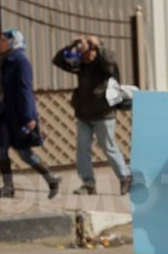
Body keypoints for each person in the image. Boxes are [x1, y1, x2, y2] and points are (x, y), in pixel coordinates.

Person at [52, 36, 131, 196]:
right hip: (84, 114)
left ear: (95, 52)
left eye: (88, 53)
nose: (85, 57)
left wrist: (97, 46)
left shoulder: (105, 65)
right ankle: (88, 184)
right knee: (82, 149)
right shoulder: (81, 66)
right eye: (83, 54)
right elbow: (58, 60)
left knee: (108, 147)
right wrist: (72, 45)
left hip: (104, 113)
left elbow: (110, 61)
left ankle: (125, 177)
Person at [0, 29, 61, 199]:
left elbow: (25, 90)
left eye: (2, 40)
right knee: (0, 151)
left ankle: (51, 179)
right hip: (5, 115)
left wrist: (29, 117)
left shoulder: (20, 62)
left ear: (12, 42)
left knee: (24, 153)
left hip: (19, 116)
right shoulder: (7, 61)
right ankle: (8, 188)